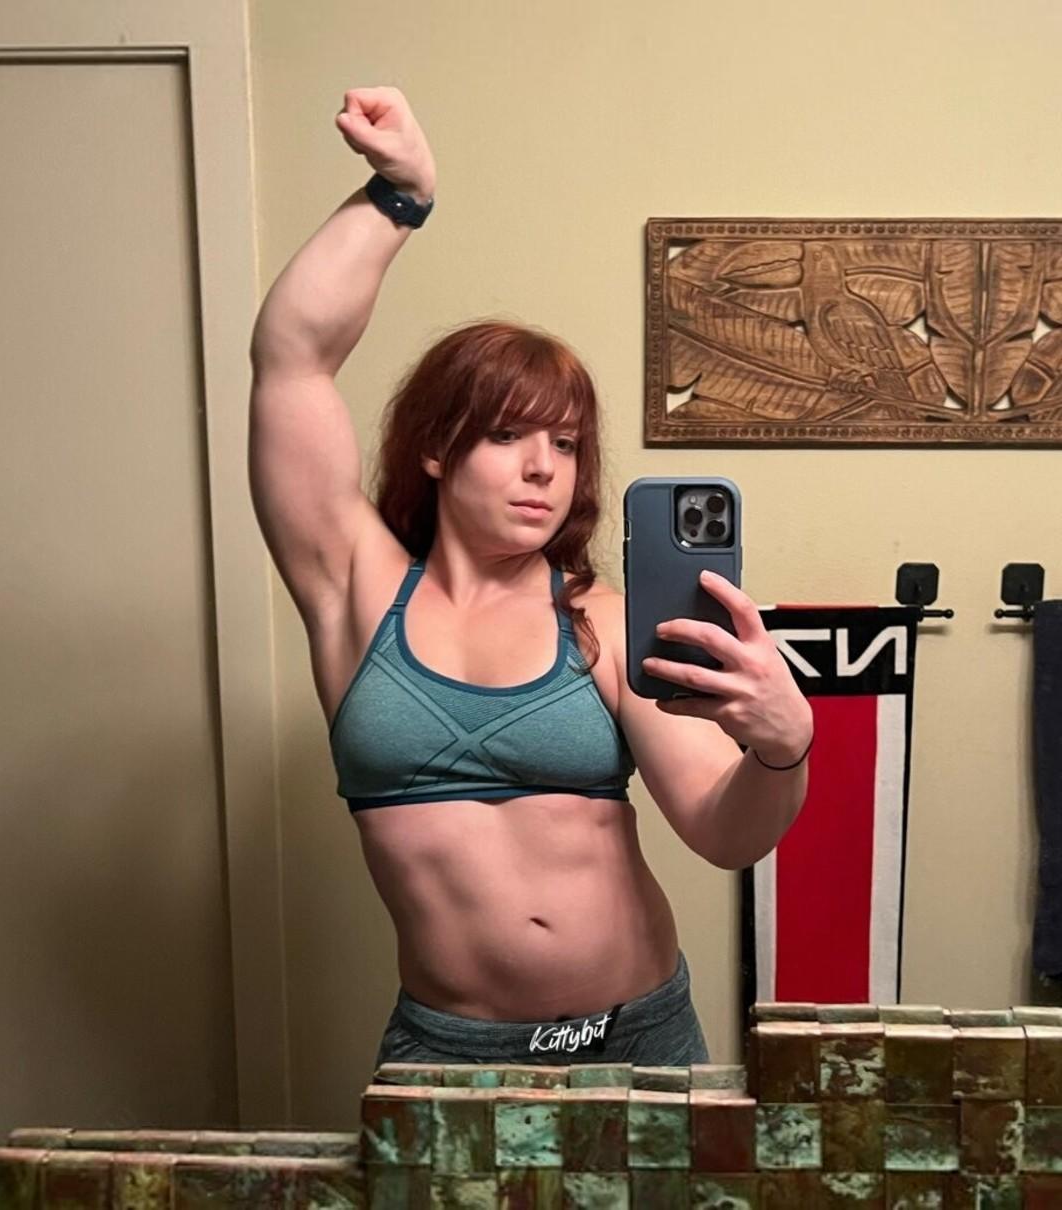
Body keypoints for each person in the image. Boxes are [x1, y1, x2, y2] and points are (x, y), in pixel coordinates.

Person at [248, 86, 813, 1069]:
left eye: (565, 442)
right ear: (436, 447)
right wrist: (399, 197)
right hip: (449, 1050)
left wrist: (782, 748)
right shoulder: (355, 590)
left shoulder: (604, 624)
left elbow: (724, 834)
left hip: (631, 1041)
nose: (544, 467)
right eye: (508, 434)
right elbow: (290, 360)